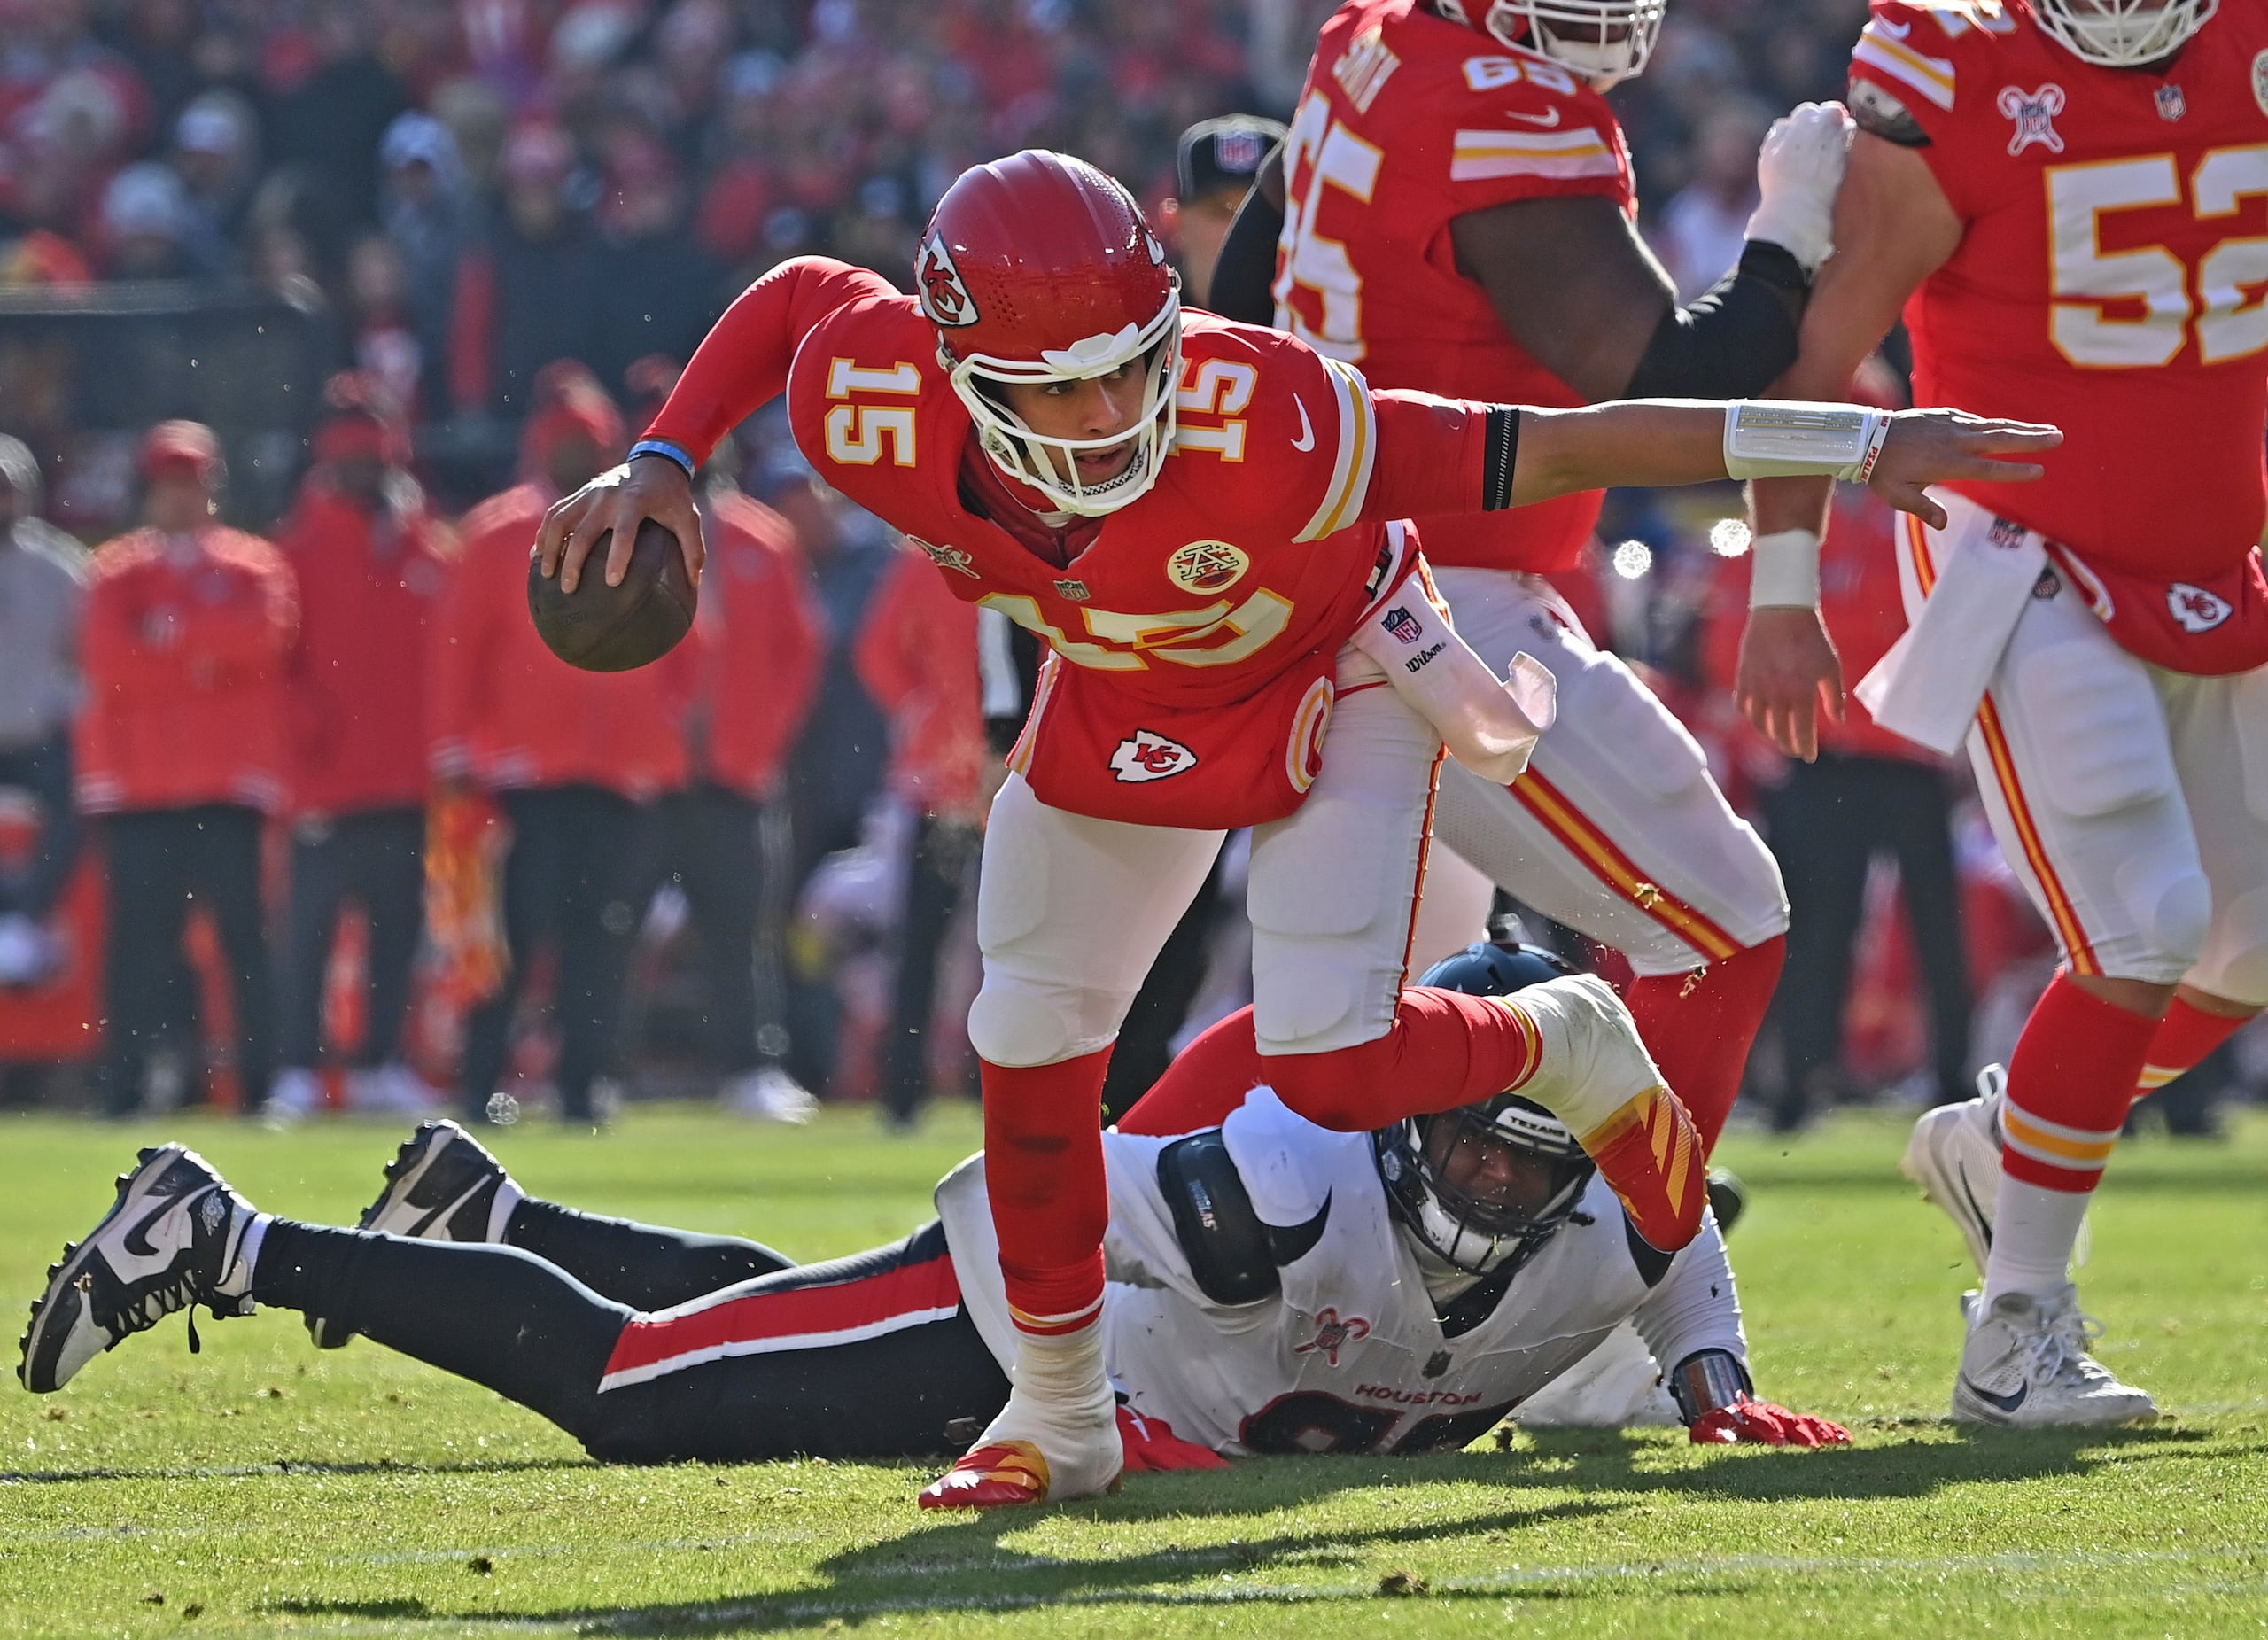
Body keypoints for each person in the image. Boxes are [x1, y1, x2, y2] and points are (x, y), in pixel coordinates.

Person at [537, 148, 2050, 1506]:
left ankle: (1562, 1039)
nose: (1112, 412)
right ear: (959, 370)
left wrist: (1854, 447)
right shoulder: (871, 400)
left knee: (1331, 1057)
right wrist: (663, 455)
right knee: (1029, 1038)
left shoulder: (1272, 412)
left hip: (1346, 666)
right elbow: (800, 298)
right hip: (1127, 689)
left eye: (1135, 365)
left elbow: (1564, 445)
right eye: (1061, 389)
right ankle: (1060, 1417)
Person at [20, 945, 1850, 1465]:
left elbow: (1675, 1241)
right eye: (1464, 1144)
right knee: (645, 1388)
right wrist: (1079, 1403)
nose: (1488, 1181)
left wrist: (1714, 1385)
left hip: (1106, 1370)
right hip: (1016, 1320)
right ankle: (226, 1237)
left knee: (782, 1306)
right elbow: (1043, 1201)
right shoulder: (1283, 1178)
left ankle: (488, 1211)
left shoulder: (1612, 1220)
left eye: (1525, 1161)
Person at [1738, 0, 2268, 1426]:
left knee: (2249, 944)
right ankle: (2016, 1328)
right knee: (2145, 920)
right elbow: (1812, 359)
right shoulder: (1960, 68)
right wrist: (1783, 586)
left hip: (2211, 556)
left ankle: (2005, 1135)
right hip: (2018, 546)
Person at [1205, 0, 1852, 1157]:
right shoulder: (1508, 107)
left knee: (1355, 1018)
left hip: (1332, 572)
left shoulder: (1371, 41)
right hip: (1443, 603)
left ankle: (1108, 1208)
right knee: (1724, 925)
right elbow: (1670, 371)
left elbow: (1244, 291)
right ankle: (1626, 1248)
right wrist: (1791, 222)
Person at [429, 365, 696, 1127]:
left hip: (618, 772)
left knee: (603, 939)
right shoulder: (497, 533)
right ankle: (479, 1082)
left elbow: (688, 643)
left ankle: (587, 1084)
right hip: (523, 774)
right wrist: (456, 757)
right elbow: (458, 650)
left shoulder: (644, 527)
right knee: (509, 939)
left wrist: (667, 739)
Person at [76, 423, 296, 1116]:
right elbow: (110, 660)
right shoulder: (116, 570)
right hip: (142, 787)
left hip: (227, 783)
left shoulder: (252, 564)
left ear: (213, 489)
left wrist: (169, 636)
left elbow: (264, 639)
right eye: (169, 485)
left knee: (243, 940)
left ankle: (258, 1087)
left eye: (192, 484)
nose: (180, 498)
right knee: (138, 946)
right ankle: (126, 1089)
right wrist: (206, 655)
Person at [268, 374, 457, 1119]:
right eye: (351, 458)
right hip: (324, 781)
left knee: (397, 930)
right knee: (308, 932)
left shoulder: (429, 549)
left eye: (373, 457)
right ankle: (295, 1066)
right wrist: (305, 733)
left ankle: (380, 1062)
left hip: (406, 778)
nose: (363, 471)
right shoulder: (295, 551)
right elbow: (276, 666)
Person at [855, 540, 988, 1129]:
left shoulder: (932, 556)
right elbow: (879, 650)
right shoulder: (927, 558)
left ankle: (996, 1092)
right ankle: (904, 1090)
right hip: (949, 786)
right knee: (925, 942)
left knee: (1010, 950)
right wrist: (924, 713)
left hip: (1013, 780)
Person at [0, 434, 86, 989]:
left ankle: (25, 919)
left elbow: (89, 659)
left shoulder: (60, 569)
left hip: (37, 738)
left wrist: (61, 704)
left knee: (82, 798)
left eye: (6, 490)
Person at [1162, 115, 1288, 307]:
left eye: (1261, 211)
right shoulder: (1138, 323)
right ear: (1175, 222)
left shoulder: (1329, 319)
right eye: (1221, 210)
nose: (1242, 226)